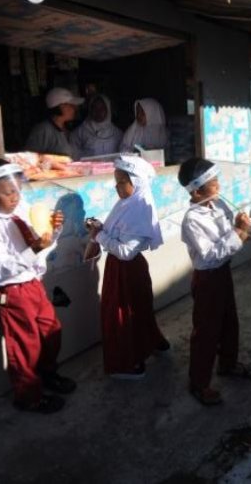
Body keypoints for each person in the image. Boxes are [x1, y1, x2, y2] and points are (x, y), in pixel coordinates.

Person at [0, 159, 76, 413]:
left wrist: (54, 230)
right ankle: (28, 395)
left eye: (17, 189)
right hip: (14, 293)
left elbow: (42, 243)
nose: (15, 197)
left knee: (52, 331)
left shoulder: (20, 212)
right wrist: (32, 250)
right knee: (24, 345)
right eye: (7, 193)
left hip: (34, 286)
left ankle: (47, 373)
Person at [85, 155, 170, 380]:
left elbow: (126, 251)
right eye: (116, 182)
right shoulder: (126, 204)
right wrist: (101, 229)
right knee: (139, 309)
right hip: (120, 268)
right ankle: (152, 343)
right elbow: (117, 234)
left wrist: (99, 234)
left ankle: (128, 362)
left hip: (127, 269)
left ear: (137, 182)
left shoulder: (140, 209)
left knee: (122, 314)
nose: (117, 187)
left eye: (122, 182)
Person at [179, 158, 251, 405]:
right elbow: (211, 254)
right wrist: (239, 233)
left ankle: (228, 364)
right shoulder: (192, 219)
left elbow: (232, 236)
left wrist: (241, 229)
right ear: (197, 191)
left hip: (223, 273)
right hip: (208, 278)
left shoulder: (218, 203)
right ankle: (199, 383)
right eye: (213, 183)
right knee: (206, 331)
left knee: (229, 321)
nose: (218, 185)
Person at [25, 87, 85, 157]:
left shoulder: (67, 128)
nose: (75, 109)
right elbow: (30, 157)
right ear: (62, 107)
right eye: (72, 106)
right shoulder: (43, 130)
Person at [70, 94, 123, 159]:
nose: (98, 112)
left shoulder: (117, 133)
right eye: (94, 108)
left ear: (108, 110)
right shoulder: (80, 132)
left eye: (102, 108)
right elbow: (73, 151)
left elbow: (122, 153)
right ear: (90, 110)